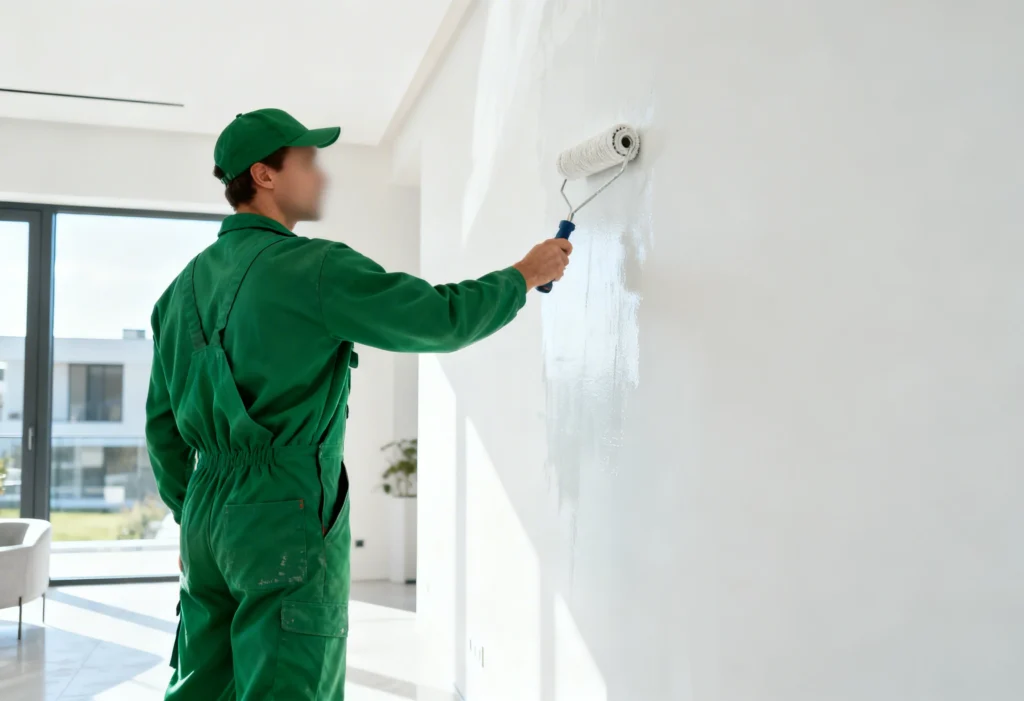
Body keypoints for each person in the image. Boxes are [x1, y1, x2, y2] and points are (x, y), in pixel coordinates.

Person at [145, 108, 572, 700]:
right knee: (288, 684)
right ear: (264, 175)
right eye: (309, 161)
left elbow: (162, 427)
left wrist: (192, 514)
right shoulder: (312, 268)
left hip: (204, 516)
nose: (322, 176)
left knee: (200, 684)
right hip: (282, 511)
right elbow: (439, 319)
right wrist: (524, 274)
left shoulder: (179, 291)